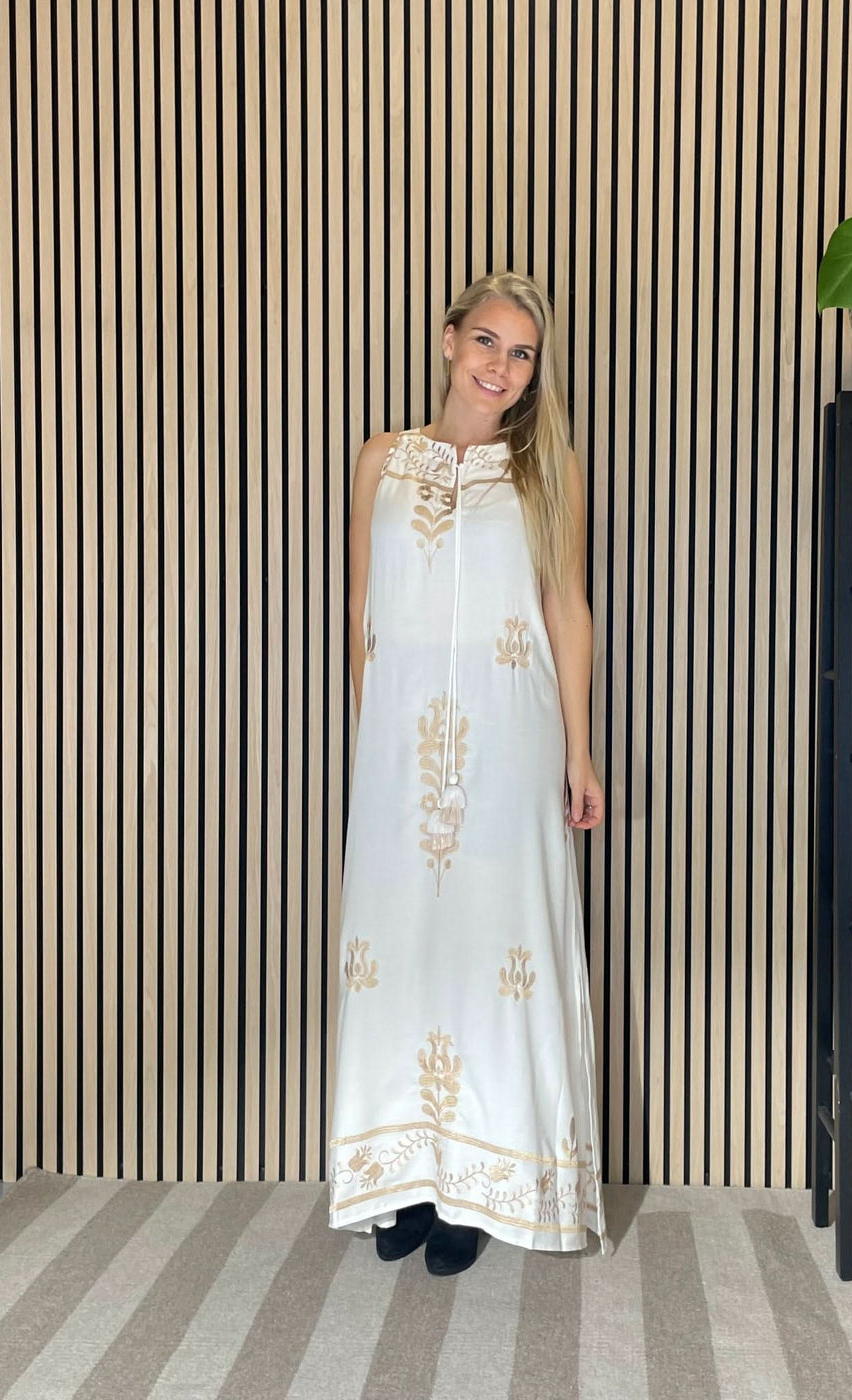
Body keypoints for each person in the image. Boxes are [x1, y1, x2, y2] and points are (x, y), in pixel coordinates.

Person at [326, 271, 611, 1275]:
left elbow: (566, 608)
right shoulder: (379, 460)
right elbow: (362, 608)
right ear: (448, 340)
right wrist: (374, 742)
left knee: (495, 951)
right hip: (399, 754)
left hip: (509, 740)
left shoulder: (548, 468)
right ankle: (404, 1180)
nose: (501, 365)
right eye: (487, 340)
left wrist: (577, 750)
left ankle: (474, 1193)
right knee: (402, 954)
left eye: (521, 353)